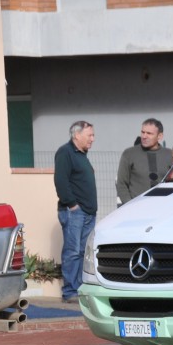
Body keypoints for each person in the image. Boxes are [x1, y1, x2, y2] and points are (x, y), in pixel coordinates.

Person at [53, 120, 97, 304]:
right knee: (72, 252)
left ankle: (78, 289)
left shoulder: (82, 154)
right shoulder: (66, 152)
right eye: (90, 135)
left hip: (87, 212)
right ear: (77, 135)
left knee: (81, 251)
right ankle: (70, 291)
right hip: (75, 212)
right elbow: (60, 181)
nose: (93, 139)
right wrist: (72, 205)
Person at [116, 118, 173, 205]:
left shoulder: (169, 155)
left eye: (149, 133)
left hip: (163, 209)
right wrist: (129, 204)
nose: (144, 136)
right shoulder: (129, 154)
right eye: (143, 132)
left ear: (160, 136)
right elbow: (121, 183)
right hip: (136, 209)